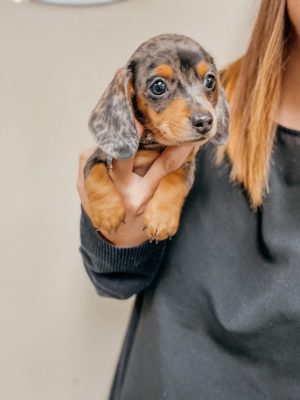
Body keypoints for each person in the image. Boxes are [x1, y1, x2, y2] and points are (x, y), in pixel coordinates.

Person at [77, 0, 300, 398]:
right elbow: (113, 280)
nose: (198, 106)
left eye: (205, 83)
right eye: (161, 87)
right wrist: (121, 234)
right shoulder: (203, 125)